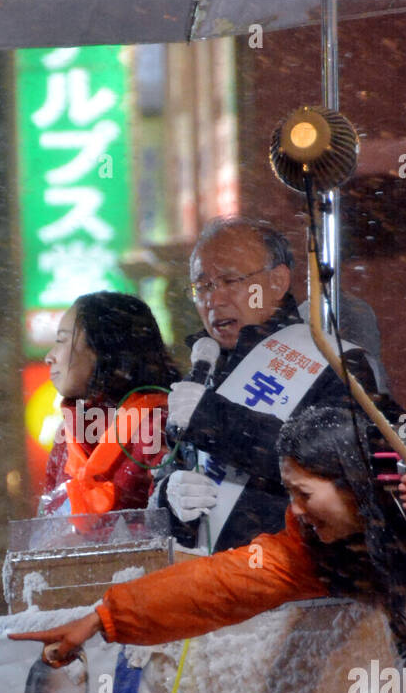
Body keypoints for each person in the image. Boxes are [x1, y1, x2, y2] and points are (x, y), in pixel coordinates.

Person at [12, 405, 406, 662]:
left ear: (349, 481)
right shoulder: (311, 544)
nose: (295, 509)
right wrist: (105, 617)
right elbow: (221, 584)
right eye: (288, 492)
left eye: (304, 493)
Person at [153, 215, 385, 552]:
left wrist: (214, 421)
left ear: (277, 281)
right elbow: (169, 468)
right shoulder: (205, 366)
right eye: (202, 286)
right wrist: (168, 495)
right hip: (211, 583)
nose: (214, 300)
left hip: (296, 580)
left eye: (230, 280)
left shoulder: (333, 362)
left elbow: (337, 468)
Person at [39, 292, 179, 517]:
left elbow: (165, 537)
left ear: (102, 348)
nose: (49, 357)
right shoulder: (67, 436)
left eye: (62, 341)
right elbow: (45, 532)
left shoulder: (162, 426)